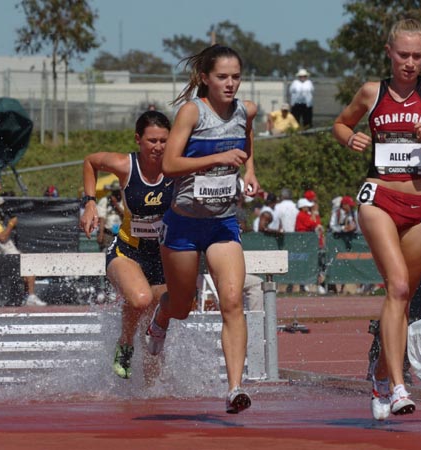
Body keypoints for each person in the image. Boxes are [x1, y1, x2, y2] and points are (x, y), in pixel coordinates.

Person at [333, 19, 421, 420]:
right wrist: (350, 138)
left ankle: (380, 374)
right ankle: (398, 386)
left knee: (402, 299)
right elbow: (341, 122)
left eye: (417, 55)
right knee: (396, 286)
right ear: (389, 52)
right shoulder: (371, 91)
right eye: (403, 55)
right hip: (379, 197)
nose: (410, 63)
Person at [144, 44, 261, 414]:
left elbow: (247, 141)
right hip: (183, 224)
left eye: (236, 77)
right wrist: (216, 158)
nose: (230, 84)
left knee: (232, 301)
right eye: (222, 77)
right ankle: (161, 315)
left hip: (222, 223)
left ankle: (234, 388)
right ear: (206, 78)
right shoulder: (192, 113)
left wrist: (251, 172)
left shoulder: (247, 110)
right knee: (183, 306)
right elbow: (169, 165)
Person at [80, 110, 172, 380]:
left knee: (153, 333)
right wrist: (89, 203)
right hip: (127, 250)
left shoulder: (176, 167)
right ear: (138, 140)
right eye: (152, 141)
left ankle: (148, 396)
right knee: (140, 299)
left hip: (163, 256)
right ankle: (124, 343)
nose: (157, 147)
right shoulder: (125, 165)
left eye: (163, 141)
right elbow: (90, 161)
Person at [0, 196, 46, 306]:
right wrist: (10, 225)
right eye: (0, 207)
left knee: (25, 263)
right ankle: (31, 296)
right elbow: (2, 238)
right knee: (29, 264)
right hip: (2, 256)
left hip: (6, 255)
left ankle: (22, 296)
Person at [96, 180, 124, 251]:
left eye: (118, 191)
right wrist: (101, 234)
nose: (117, 194)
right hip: (108, 234)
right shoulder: (105, 201)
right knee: (106, 252)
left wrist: (116, 205)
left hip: (121, 234)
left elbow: (126, 217)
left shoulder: (124, 201)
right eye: (114, 192)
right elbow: (102, 218)